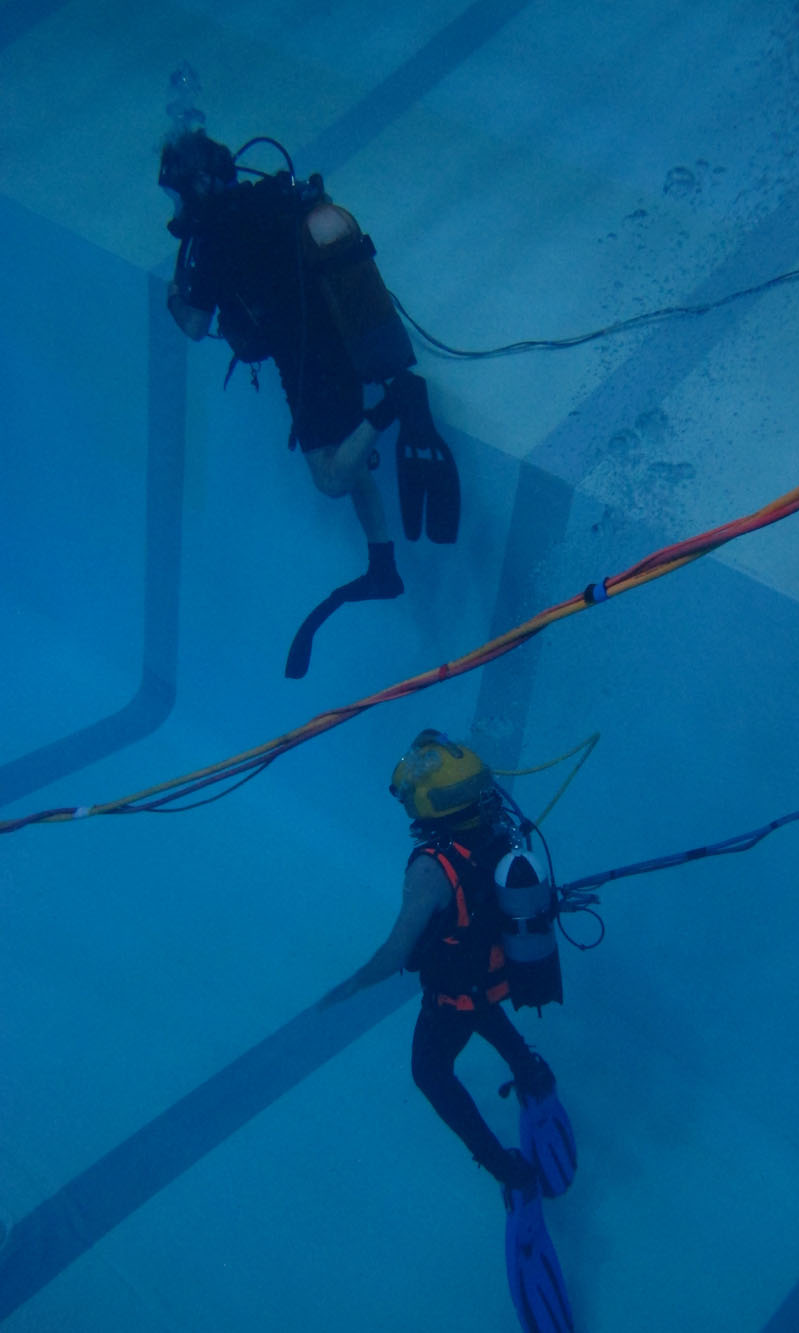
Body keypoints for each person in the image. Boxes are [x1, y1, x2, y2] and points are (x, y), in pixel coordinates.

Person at [157, 120, 460, 678]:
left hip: (306, 362)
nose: (175, 206)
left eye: (175, 193)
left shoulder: (211, 239)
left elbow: (196, 326)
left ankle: (397, 403)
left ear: (195, 186)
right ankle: (382, 562)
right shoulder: (272, 197)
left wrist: (174, 294)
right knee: (347, 457)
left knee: (330, 477)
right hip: (340, 337)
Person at [320, 729, 576, 1333]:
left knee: (430, 1072)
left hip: (455, 990)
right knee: (480, 1008)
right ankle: (533, 1074)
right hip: (494, 974)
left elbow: (398, 949)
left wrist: (351, 984)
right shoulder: (501, 829)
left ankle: (510, 1172)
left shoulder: (431, 868)